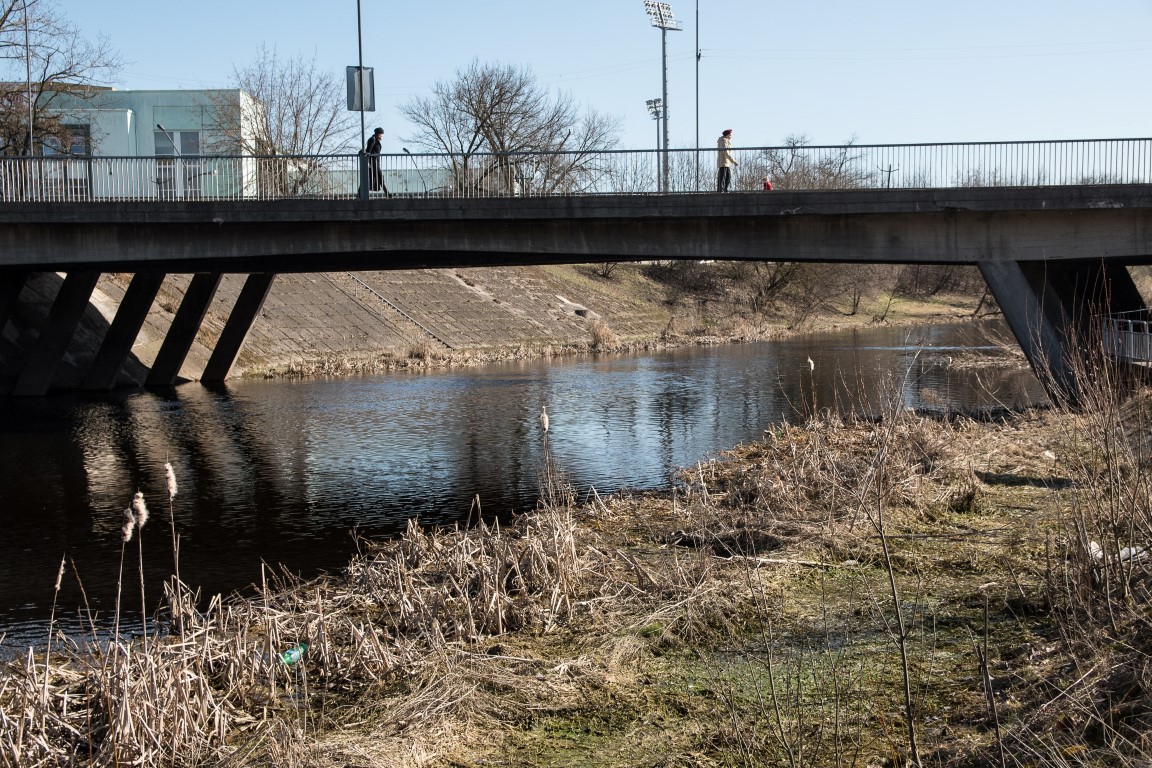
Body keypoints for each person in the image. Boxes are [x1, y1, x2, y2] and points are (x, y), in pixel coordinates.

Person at [365, 127, 389, 195]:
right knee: (380, 176)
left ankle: (358, 195)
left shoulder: (376, 140)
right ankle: (387, 194)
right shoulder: (373, 140)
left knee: (370, 179)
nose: (382, 136)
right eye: (381, 135)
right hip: (374, 162)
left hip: (375, 162)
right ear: (377, 134)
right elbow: (368, 151)